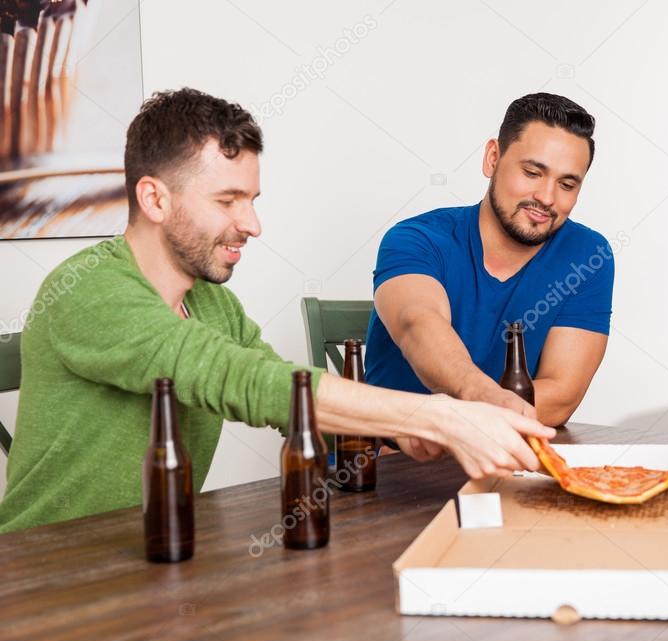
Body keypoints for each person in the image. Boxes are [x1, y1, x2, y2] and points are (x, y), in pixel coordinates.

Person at [0, 88, 553, 533]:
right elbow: (238, 378)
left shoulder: (213, 303)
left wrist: (398, 427)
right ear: (155, 199)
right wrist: (437, 414)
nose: (253, 224)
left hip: (159, 554)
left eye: (252, 200)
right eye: (227, 201)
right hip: (43, 576)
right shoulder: (88, 289)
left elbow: (286, 395)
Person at [365, 93, 614, 428]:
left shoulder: (588, 255)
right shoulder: (416, 239)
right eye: (532, 172)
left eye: (567, 184)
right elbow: (419, 324)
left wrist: (472, 416)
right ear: (493, 158)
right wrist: (480, 397)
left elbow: (560, 397)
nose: (546, 198)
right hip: (395, 459)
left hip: (506, 459)